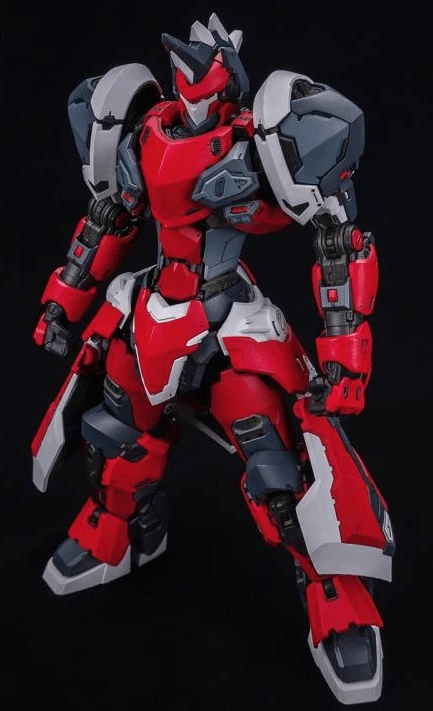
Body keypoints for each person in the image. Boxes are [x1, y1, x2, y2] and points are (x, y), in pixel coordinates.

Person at [31, 13, 394, 705]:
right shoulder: (141, 131)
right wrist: (63, 303)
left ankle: (335, 595)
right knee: (117, 435)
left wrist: (345, 357)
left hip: (228, 323)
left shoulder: (262, 140)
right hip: (153, 310)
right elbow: (107, 222)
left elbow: (337, 239)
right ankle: (124, 530)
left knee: (281, 472)